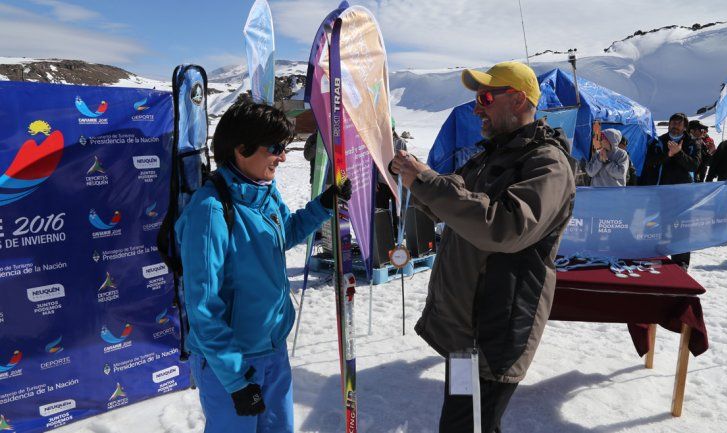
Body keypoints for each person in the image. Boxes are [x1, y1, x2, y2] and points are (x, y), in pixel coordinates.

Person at [390, 61, 576, 433]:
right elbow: (454, 201)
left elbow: (505, 226)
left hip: (496, 327)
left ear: (520, 100)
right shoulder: (492, 155)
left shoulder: (547, 164)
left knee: (468, 425)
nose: (477, 108)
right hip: (466, 330)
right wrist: (415, 177)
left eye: (486, 97)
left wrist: (426, 182)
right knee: (467, 424)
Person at [174, 98, 349, 433]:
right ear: (242, 148)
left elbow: (283, 236)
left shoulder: (264, 192)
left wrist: (323, 205)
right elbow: (203, 306)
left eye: (284, 147)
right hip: (232, 362)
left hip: (272, 349)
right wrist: (236, 380)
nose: (283, 157)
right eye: (276, 148)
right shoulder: (210, 211)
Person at [638, 112, 701, 269]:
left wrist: (679, 154)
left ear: (685, 127)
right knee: (658, 227)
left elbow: (694, 165)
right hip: (661, 193)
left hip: (683, 194)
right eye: (672, 123)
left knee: (681, 230)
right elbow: (650, 162)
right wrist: (668, 154)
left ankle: (681, 264)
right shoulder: (659, 141)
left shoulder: (692, 143)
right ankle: (658, 260)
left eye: (678, 124)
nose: (674, 126)